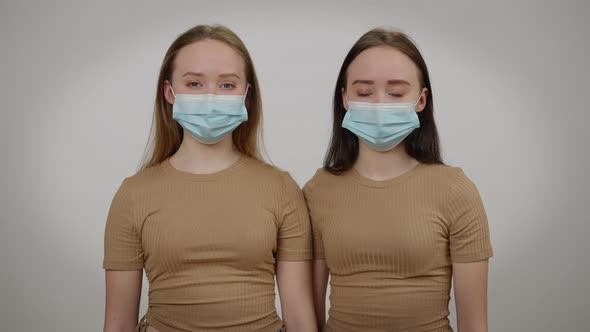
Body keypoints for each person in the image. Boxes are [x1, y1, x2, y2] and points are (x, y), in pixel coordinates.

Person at [103, 24, 316, 332]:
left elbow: (299, 319)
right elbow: (118, 322)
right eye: (194, 84)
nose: (211, 97)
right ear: (169, 93)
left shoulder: (281, 189)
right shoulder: (133, 194)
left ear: (246, 95)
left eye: (227, 85)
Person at [304, 28, 493, 332]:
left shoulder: (456, 190)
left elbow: (474, 325)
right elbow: (307, 318)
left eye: (396, 93)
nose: (379, 104)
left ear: (421, 100)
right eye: (364, 92)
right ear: (345, 99)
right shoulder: (318, 190)